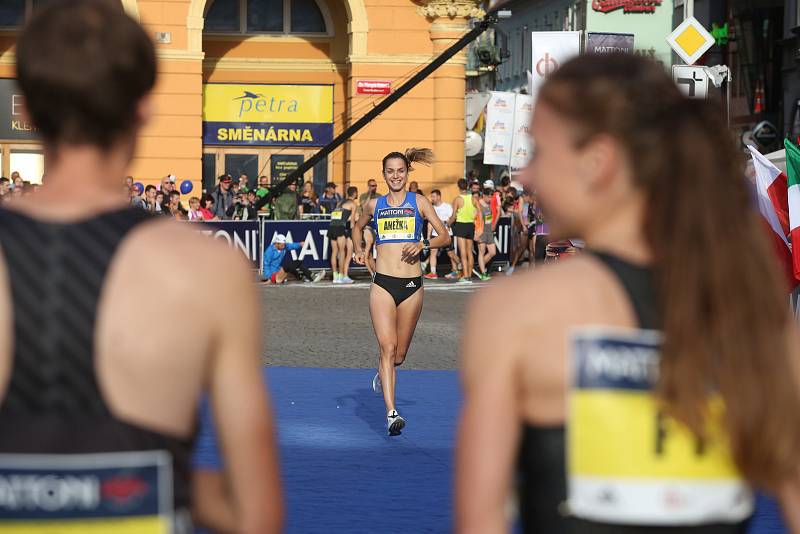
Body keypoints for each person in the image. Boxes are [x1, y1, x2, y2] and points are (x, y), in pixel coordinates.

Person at [455, 54, 800, 534]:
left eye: (538, 152)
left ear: (597, 162)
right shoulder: (752, 306)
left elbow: (481, 519)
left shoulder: (518, 310)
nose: (526, 177)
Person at [0, 2, 283, 533]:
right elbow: (257, 515)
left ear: (29, 111)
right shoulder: (206, 269)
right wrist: (172, 484)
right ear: (144, 110)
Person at [352, 148, 450, 435]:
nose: (395, 175)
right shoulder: (373, 205)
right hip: (382, 284)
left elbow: (444, 235)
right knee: (388, 347)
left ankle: (384, 371)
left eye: (400, 171)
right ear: (383, 174)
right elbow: (357, 228)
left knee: (399, 356)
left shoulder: (419, 202)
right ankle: (392, 413)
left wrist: (424, 244)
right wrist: (360, 250)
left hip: (411, 287)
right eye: (390, 171)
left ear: (407, 173)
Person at [448, 178, 479, 283]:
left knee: (463, 252)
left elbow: (453, 216)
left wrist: (448, 223)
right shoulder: (473, 198)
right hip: (470, 225)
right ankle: (469, 275)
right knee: (469, 252)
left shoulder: (457, 199)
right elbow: (479, 212)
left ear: (458, 187)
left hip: (461, 225)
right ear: (467, 186)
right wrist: (473, 218)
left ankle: (465, 276)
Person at [424, 189, 459, 280]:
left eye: (434, 196)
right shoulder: (431, 208)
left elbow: (452, 218)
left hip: (447, 234)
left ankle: (461, 267)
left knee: (451, 254)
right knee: (433, 253)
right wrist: (428, 236)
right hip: (435, 235)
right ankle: (433, 272)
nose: (432, 198)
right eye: (431, 197)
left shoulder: (447, 206)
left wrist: (447, 223)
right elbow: (430, 223)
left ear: (439, 196)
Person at [329, 186, 358, 284]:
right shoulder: (352, 204)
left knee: (334, 252)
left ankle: (335, 276)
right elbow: (352, 221)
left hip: (332, 226)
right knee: (342, 252)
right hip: (340, 227)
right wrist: (353, 233)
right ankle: (341, 275)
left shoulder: (340, 202)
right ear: (355, 194)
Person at [358, 179, 381, 276]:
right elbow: (364, 207)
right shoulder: (363, 196)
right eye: (372, 185)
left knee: (377, 250)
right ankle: (372, 273)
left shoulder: (379, 196)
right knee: (367, 251)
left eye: (375, 185)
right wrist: (369, 194)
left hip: (376, 225)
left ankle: (377, 272)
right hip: (366, 225)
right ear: (368, 186)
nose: (374, 187)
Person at [475, 188, 496, 281]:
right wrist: (475, 233)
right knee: (481, 252)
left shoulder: (488, 205)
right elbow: (474, 219)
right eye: (489, 197)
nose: (490, 199)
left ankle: (479, 268)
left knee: (492, 252)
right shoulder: (478, 205)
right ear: (484, 195)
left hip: (489, 231)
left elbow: (489, 218)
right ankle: (483, 272)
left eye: (491, 197)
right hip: (481, 232)